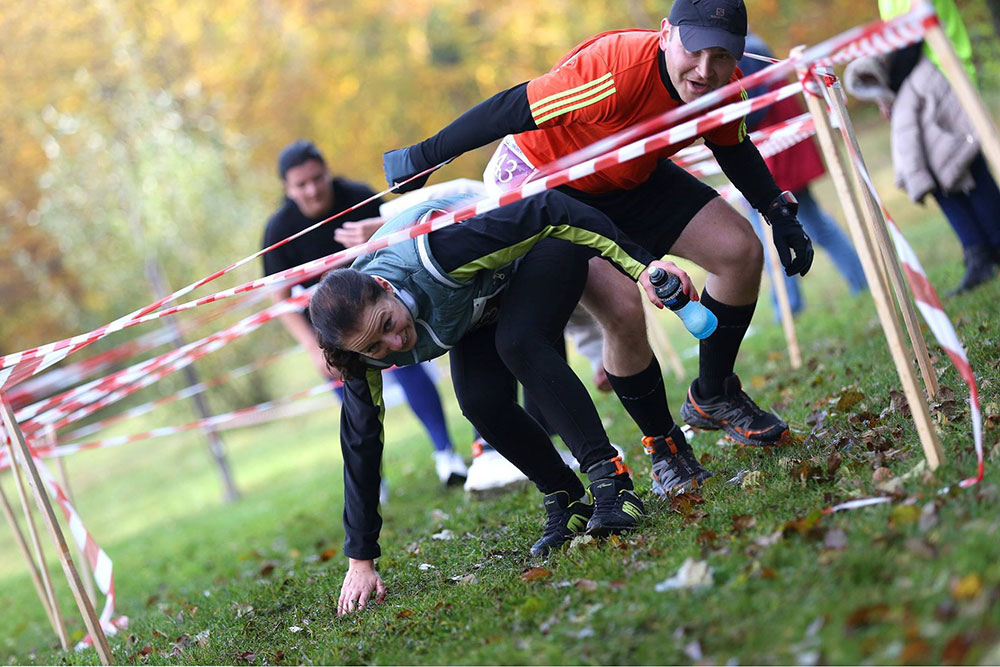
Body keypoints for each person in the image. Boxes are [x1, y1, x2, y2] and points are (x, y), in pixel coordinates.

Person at [383, 0, 814, 463]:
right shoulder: (613, 72)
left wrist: (777, 211)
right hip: (548, 183)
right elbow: (510, 108)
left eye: (722, 56)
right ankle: (665, 447)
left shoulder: (726, 86)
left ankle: (714, 394)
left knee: (740, 251)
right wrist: (426, 155)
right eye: (694, 51)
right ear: (666, 34)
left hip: (627, 172)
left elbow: (733, 145)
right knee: (624, 309)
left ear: (738, 53)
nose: (706, 70)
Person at [311, 190, 698, 614]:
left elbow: (550, 210)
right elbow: (361, 446)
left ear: (385, 287)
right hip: (478, 301)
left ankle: (612, 482)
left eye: (388, 324)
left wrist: (642, 267)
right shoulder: (358, 352)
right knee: (478, 400)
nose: (396, 342)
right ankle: (565, 498)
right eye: (377, 346)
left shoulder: (439, 254)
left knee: (519, 343)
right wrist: (360, 560)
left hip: (539, 248)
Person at [262, 140, 467, 488]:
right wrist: (313, 348)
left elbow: (401, 231)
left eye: (317, 178)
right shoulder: (279, 230)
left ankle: (446, 455)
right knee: (354, 403)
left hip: (379, 313)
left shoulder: (357, 195)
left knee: (409, 363)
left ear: (327, 172)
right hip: (334, 333)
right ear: (287, 188)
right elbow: (278, 299)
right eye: (301, 185)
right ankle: (374, 480)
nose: (312, 190)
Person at [844, 0, 1000, 295]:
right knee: (934, 165)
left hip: (945, 73)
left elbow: (910, 40)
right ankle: (977, 249)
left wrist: (886, 88)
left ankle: (991, 244)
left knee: (962, 161)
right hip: (919, 84)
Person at [739, 33, 867, 317]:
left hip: (775, 151)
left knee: (777, 230)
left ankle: (788, 308)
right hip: (776, 148)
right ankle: (856, 281)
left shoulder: (744, 52)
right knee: (809, 223)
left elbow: (754, 108)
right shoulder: (749, 46)